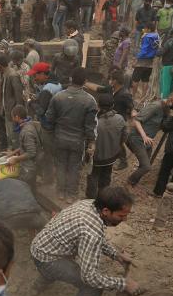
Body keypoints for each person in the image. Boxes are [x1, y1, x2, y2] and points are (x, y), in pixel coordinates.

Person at [30, 186, 140, 296]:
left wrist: (116, 255)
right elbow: (90, 278)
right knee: (93, 288)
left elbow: (95, 237)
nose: (125, 219)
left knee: (65, 262)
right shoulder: (91, 232)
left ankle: (37, 286)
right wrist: (123, 284)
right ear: (106, 211)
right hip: (47, 258)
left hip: (42, 246)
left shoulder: (90, 204)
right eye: (121, 216)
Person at [46, 67, 98, 202]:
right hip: (77, 141)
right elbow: (90, 126)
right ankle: (71, 194)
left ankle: (60, 192)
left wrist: (52, 134)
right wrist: (91, 142)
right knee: (74, 167)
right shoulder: (90, 101)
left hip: (59, 138)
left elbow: (49, 118)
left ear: (70, 79)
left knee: (60, 165)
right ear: (85, 81)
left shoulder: (58, 97)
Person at [126, 89, 173, 189]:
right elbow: (136, 120)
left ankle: (133, 184)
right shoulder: (156, 106)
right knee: (146, 166)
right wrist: (144, 136)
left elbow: (164, 126)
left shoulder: (166, 109)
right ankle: (129, 183)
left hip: (147, 141)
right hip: (137, 138)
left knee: (145, 165)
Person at [86, 94, 126, 199]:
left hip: (96, 158)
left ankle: (90, 199)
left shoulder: (95, 122)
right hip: (112, 157)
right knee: (106, 177)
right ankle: (103, 198)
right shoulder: (120, 119)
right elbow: (124, 137)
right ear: (112, 105)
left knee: (93, 177)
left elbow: (88, 139)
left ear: (98, 105)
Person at [27, 62, 61, 184]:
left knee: (48, 154)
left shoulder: (47, 89)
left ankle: (48, 179)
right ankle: (57, 175)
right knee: (54, 153)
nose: (34, 78)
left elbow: (41, 110)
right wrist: (39, 98)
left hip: (48, 126)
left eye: (36, 75)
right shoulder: (57, 84)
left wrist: (31, 102)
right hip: (57, 124)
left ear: (43, 74)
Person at [0, 53, 24, 150]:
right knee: (11, 136)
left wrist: (18, 114)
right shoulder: (6, 75)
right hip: (8, 112)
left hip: (14, 113)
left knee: (15, 137)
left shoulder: (13, 75)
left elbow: (18, 96)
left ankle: (17, 153)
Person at [8, 105, 40, 193]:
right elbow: (25, 146)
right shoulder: (28, 125)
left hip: (29, 167)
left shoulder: (26, 132)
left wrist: (16, 159)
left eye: (12, 117)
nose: (12, 119)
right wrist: (13, 153)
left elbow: (31, 152)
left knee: (28, 191)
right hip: (28, 166)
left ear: (17, 117)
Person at [132, 23, 160, 100]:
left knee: (135, 79)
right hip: (150, 62)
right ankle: (143, 97)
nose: (144, 29)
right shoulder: (157, 37)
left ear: (149, 29)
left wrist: (136, 60)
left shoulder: (147, 37)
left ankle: (133, 96)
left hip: (141, 62)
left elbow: (144, 50)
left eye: (145, 28)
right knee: (145, 80)